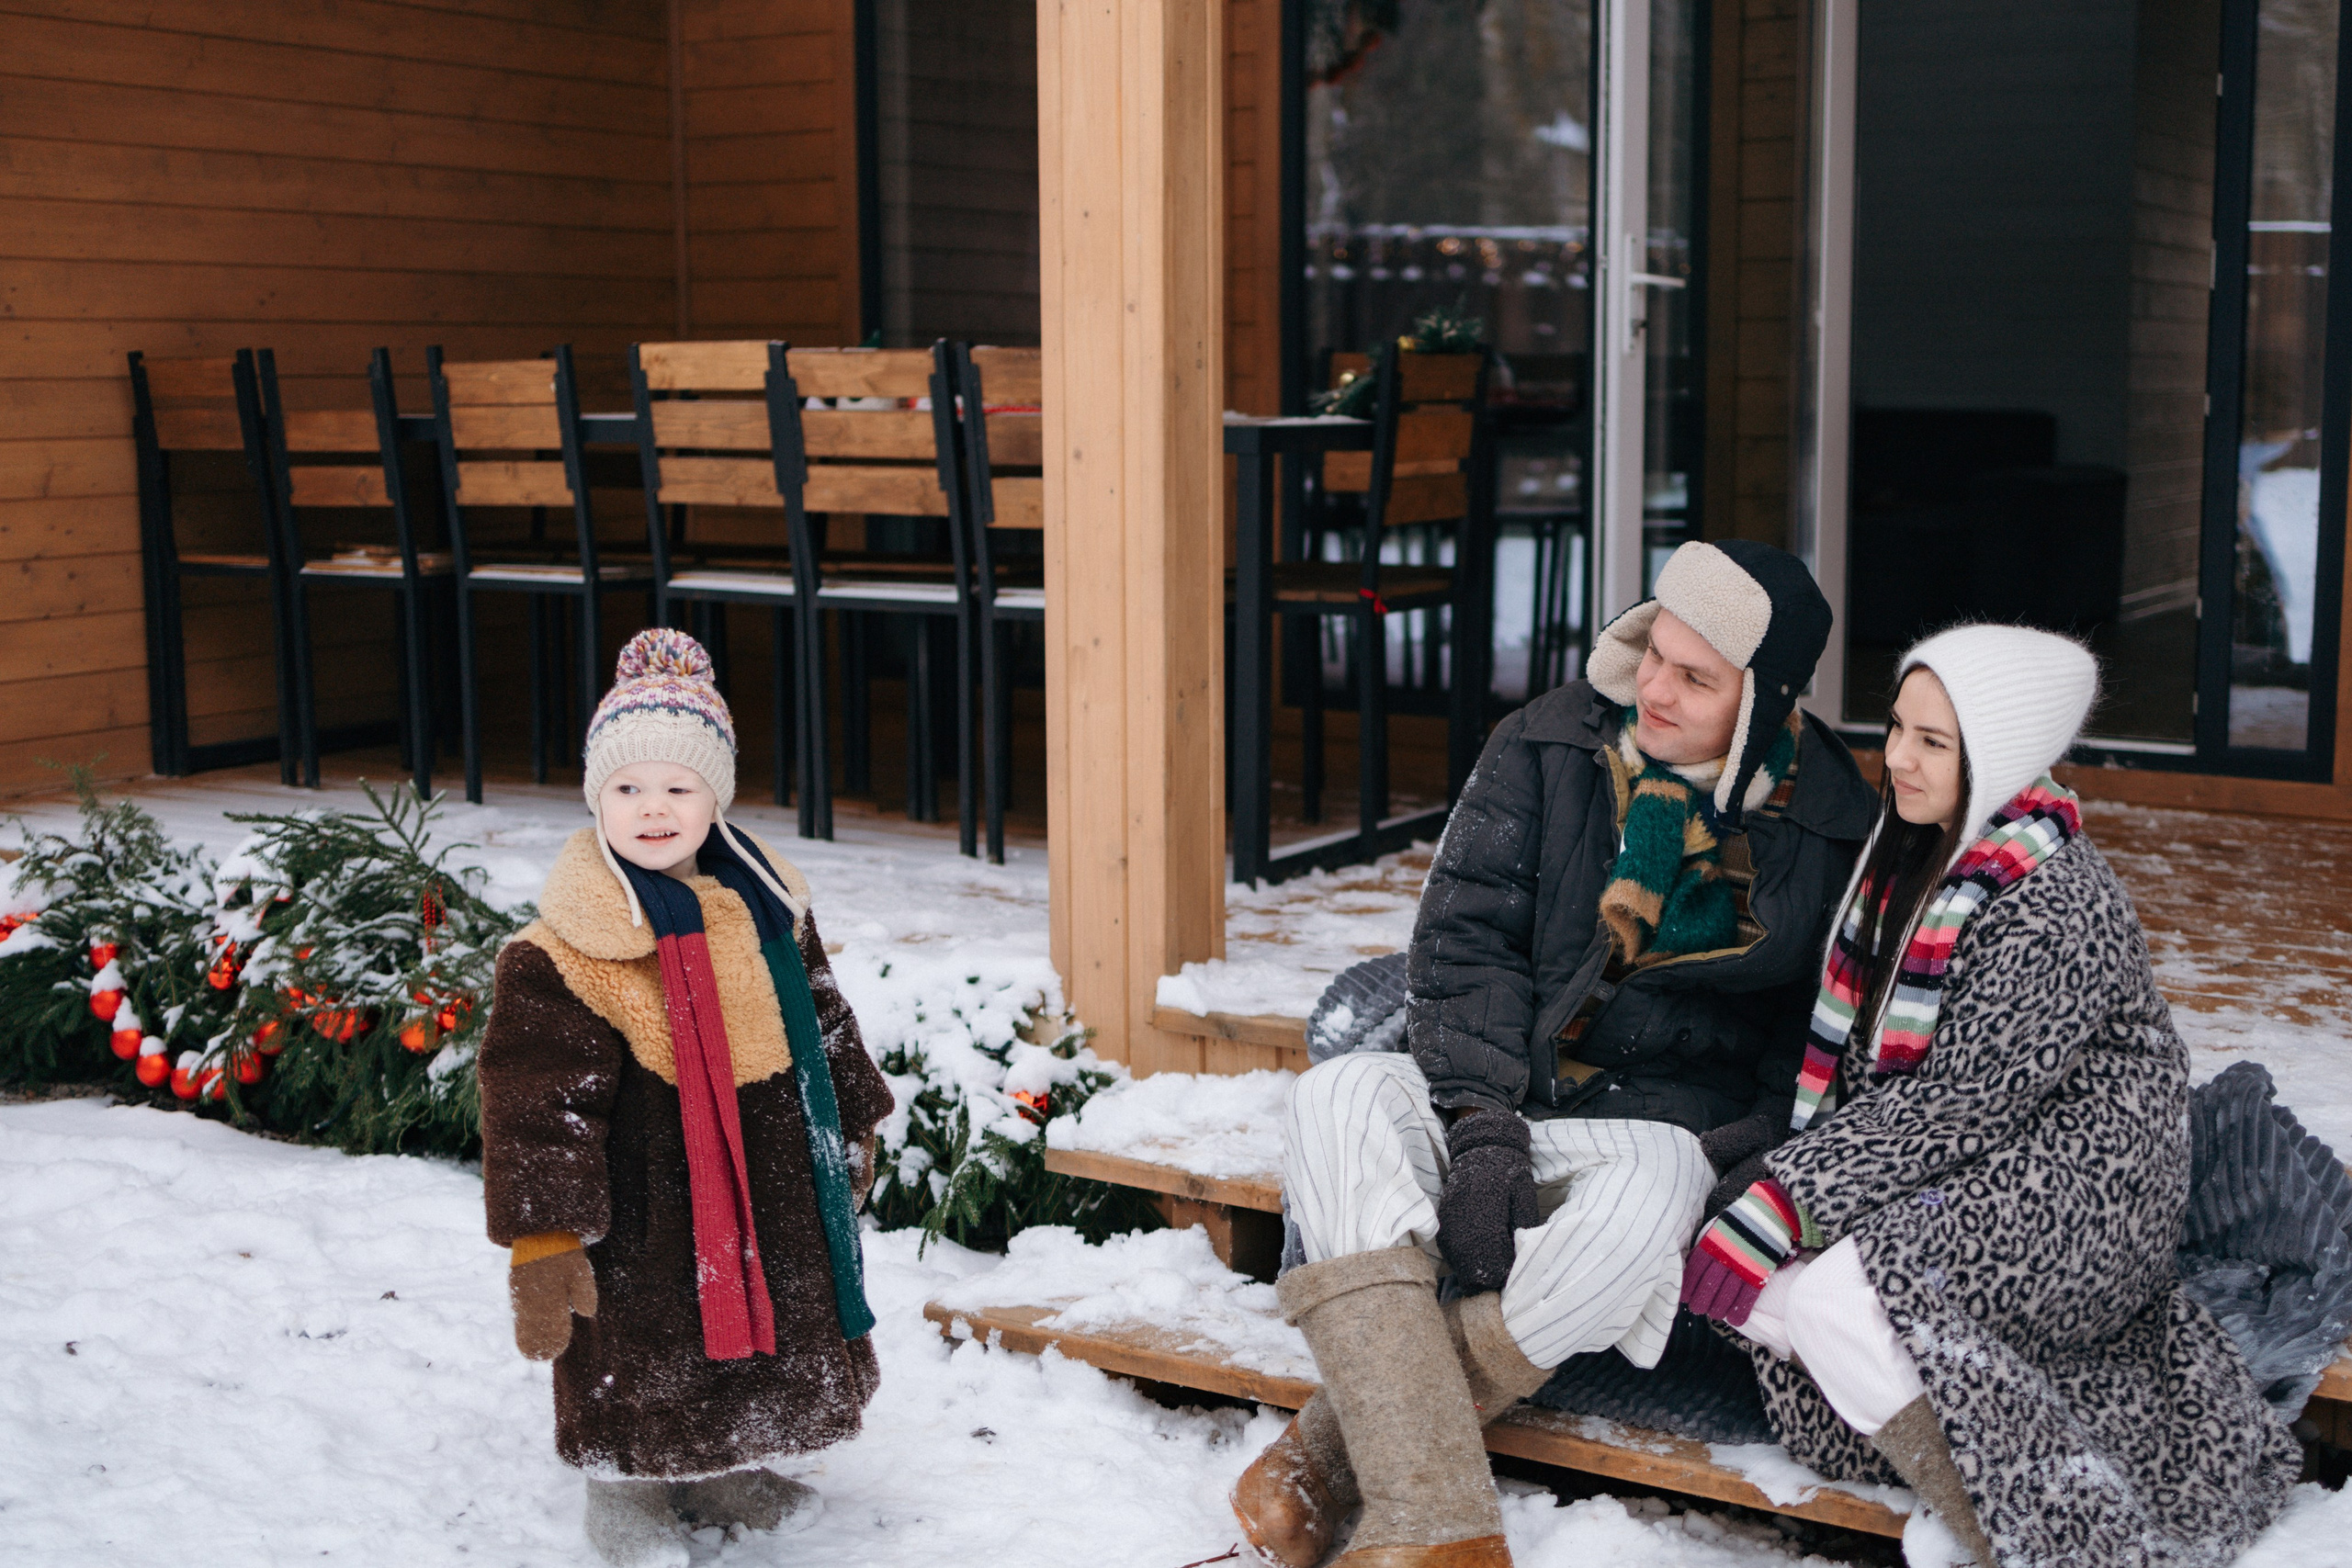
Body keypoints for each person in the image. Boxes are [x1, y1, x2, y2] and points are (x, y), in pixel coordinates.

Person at [1232, 541, 1879, 1568]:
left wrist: (1750, 1148)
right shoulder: (1545, 741)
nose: (1653, 688)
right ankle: (1440, 1522)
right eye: (1654, 652)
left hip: (1655, 1135)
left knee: (1649, 1207)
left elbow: (1818, 1040)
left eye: (1695, 678)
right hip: (1500, 1088)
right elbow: (1464, 943)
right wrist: (1483, 1124)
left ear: (1764, 703)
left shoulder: (1837, 829)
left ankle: (1328, 1458)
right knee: (1337, 1097)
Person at [1679, 624, 2300, 1567]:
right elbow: (1883, 1082)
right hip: (1967, 1165)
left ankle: (2036, 1527)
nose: (1897, 757)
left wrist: (1790, 1193)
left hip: (2081, 1188)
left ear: (1996, 755)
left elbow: (1960, 1104)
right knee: (1745, 1280)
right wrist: (1784, 1177)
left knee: (1830, 1301)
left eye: (1933, 741)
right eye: (1897, 727)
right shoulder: (1912, 855)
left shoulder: (2053, 901)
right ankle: (1970, 1454)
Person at [479, 629, 894, 1568]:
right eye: (628, 788)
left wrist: (852, 1121)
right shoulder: (567, 951)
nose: (653, 808)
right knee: (645, 1343)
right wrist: (545, 1237)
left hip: (769, 1177)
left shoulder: (769, 907)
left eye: (679, 786)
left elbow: (824, 1017)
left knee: (765, 1324)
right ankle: (625, 1488)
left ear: (717, 797)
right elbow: (536, 1103)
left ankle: (725, 1465)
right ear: (598, 799)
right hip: (641, 1203)